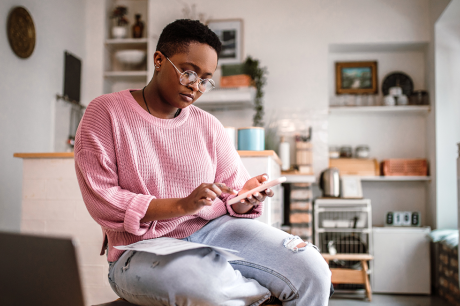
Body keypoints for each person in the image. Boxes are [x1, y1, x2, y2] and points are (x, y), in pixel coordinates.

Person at [75, 19, 331, 306]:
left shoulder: (208, 125)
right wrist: (183, 205)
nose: (195, 86)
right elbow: (103, 200)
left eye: (205, 79)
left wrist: (245, 197)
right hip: (139, 249)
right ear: (159, 60)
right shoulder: (106, 112)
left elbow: (232, 197)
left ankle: (239, 289)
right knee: (199, 283)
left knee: (312, 270)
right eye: (188, 73)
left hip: (214, 232)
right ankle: (259, 296)